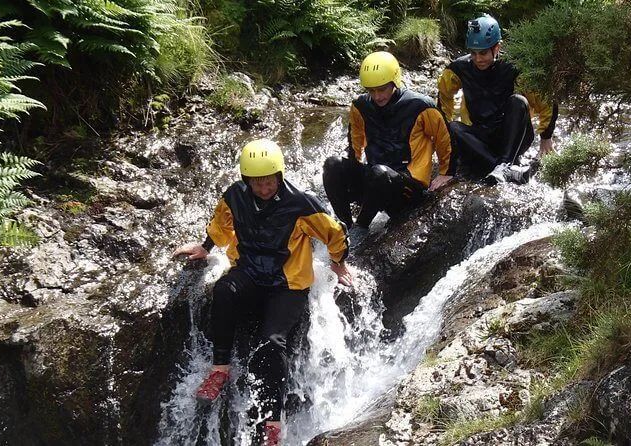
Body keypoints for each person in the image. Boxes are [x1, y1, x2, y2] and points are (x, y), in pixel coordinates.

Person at [172, 139, 352, 446]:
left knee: (271, 343)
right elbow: (220, 224)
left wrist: (338, 262)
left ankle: (272, 423)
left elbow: (334, 232)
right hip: (251, 273)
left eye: (269, 180)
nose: (264, 187)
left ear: (279, 176)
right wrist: (204, 247)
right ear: (246, 180)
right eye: (257, 181)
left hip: (288, 285)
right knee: (225, 290)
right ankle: (220, 368)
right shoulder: (235, 197)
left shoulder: (301, 203)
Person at [323, 51, 453, 247]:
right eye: (371, 90)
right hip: (375, 182)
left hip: (407, 188)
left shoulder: (421, 106)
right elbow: (355, 143)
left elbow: (444, 138)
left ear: (394, 81)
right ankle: (346, 225)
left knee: (379, 173)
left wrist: (446, 172)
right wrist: (351, 173)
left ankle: (360, 229)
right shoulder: (360, 105)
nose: (377, 96)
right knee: (332, 164)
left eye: (382, 89)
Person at [437, 13, 558, 184]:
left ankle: (504, 163)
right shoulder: (458, 69)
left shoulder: (514, 67)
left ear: (497, 47)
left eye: (483, 53)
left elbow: (545, 99)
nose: (478, 59)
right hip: (481, 137)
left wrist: (546, 136)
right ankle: (504, 168)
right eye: (473, 53)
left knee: (518, 101)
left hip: (513, 136)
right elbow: (444, 98)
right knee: (453, 127)